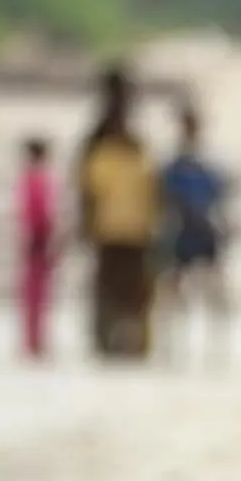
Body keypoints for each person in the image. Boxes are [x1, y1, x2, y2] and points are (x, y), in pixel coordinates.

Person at [74, 65, 157, 361]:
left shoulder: (126, 140)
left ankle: (127, 343)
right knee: (114, 284)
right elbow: (87, 188)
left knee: (129, 286)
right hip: (113, 224)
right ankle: (110, 341)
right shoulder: (101, 141)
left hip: (133, 223)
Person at [155, 103, 230, 366]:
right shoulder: (176, 166)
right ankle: (171, 346)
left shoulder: (203, 165)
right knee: (174, 290)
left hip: (202, 230)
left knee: (212, 290)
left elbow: (220, 197)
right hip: (182, 230)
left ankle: (216, 347)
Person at [15, 136, 57, 361]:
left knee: (34, 294)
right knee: (37, 294)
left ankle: (34, 340)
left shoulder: (30, 180)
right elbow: (42, 213)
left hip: (34, 238)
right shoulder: (39, 181)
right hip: (38, 239)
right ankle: (35, 341)